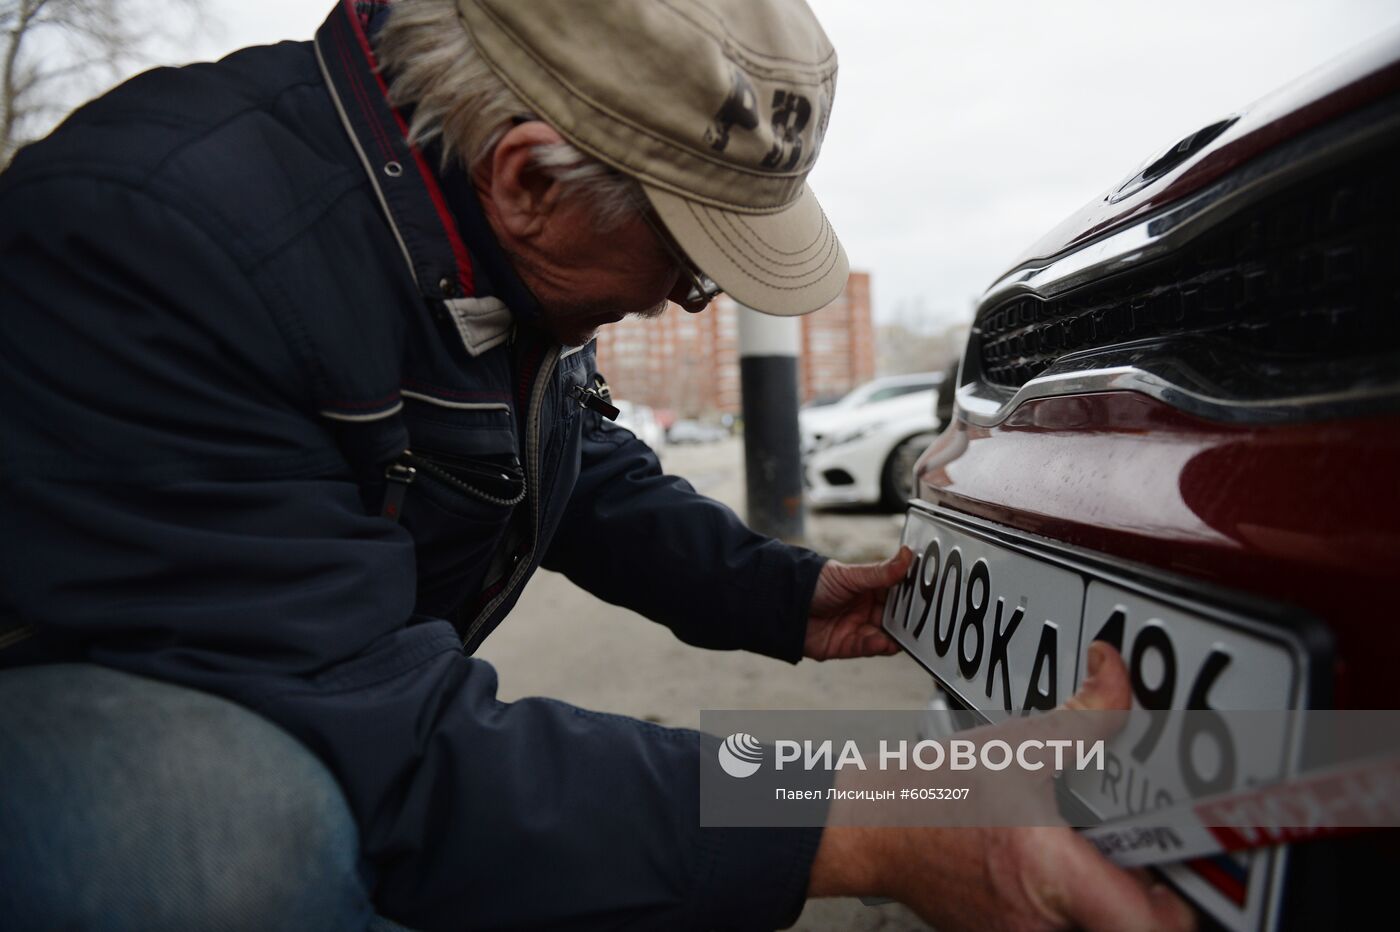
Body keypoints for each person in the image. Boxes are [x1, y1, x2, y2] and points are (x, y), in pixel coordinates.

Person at [0, 1, 1193, 929]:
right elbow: (393, 751)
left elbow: (564, 464)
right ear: (526, 181)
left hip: (317, 697)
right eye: (688, 264)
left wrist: (777, 591)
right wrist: (870, 817)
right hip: (91, 742)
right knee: (222, 831)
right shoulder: (154, 247)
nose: (684, 299)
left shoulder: (453, 225)